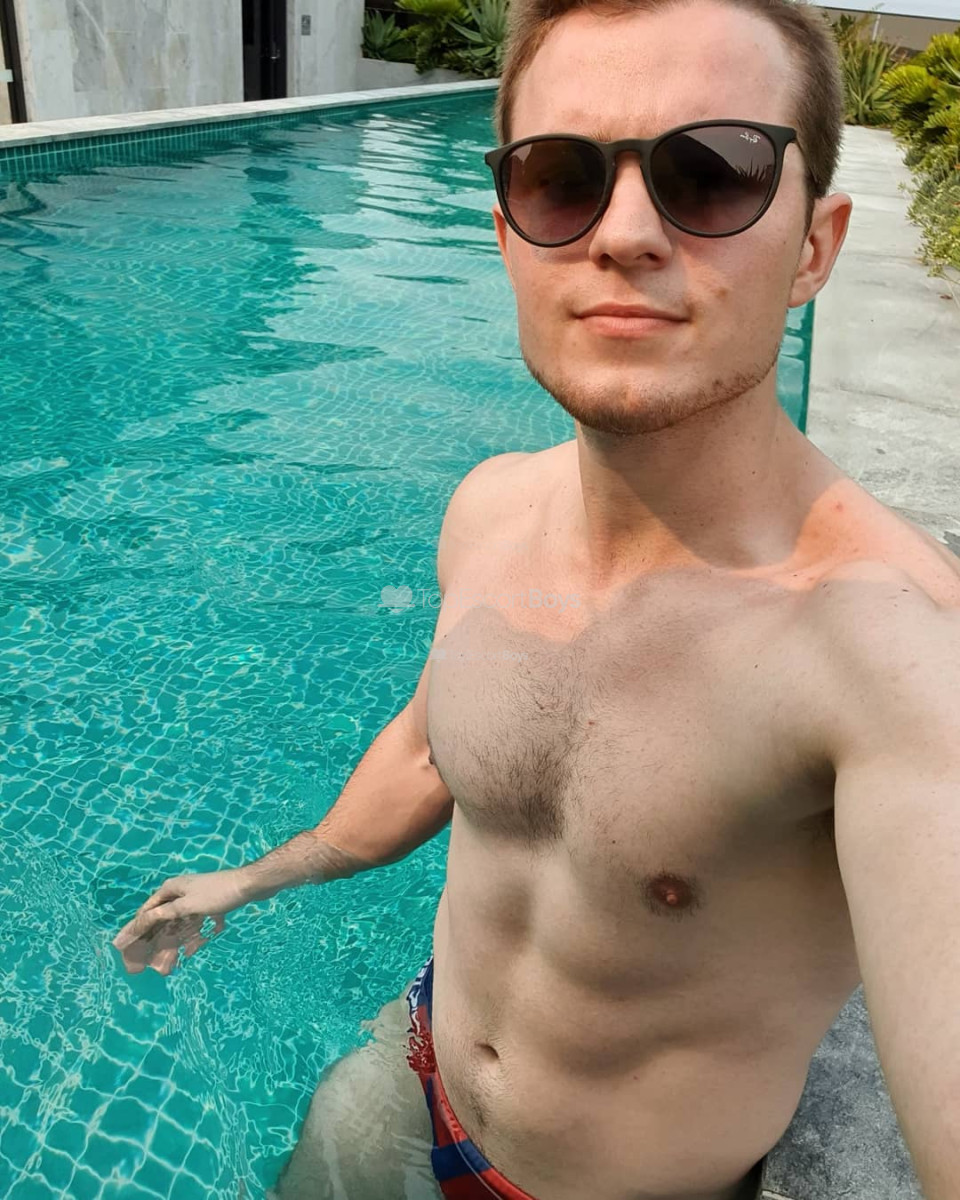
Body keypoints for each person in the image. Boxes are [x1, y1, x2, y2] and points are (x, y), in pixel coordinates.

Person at [113, 0, 960, 1196]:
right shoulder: (491, 510)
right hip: (407, 1074)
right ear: (508, 235)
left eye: (712, 175)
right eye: (561, 179)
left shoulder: (891, 652)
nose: (626, 235)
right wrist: (257, 877)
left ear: (815, 249)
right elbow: (429, 747)